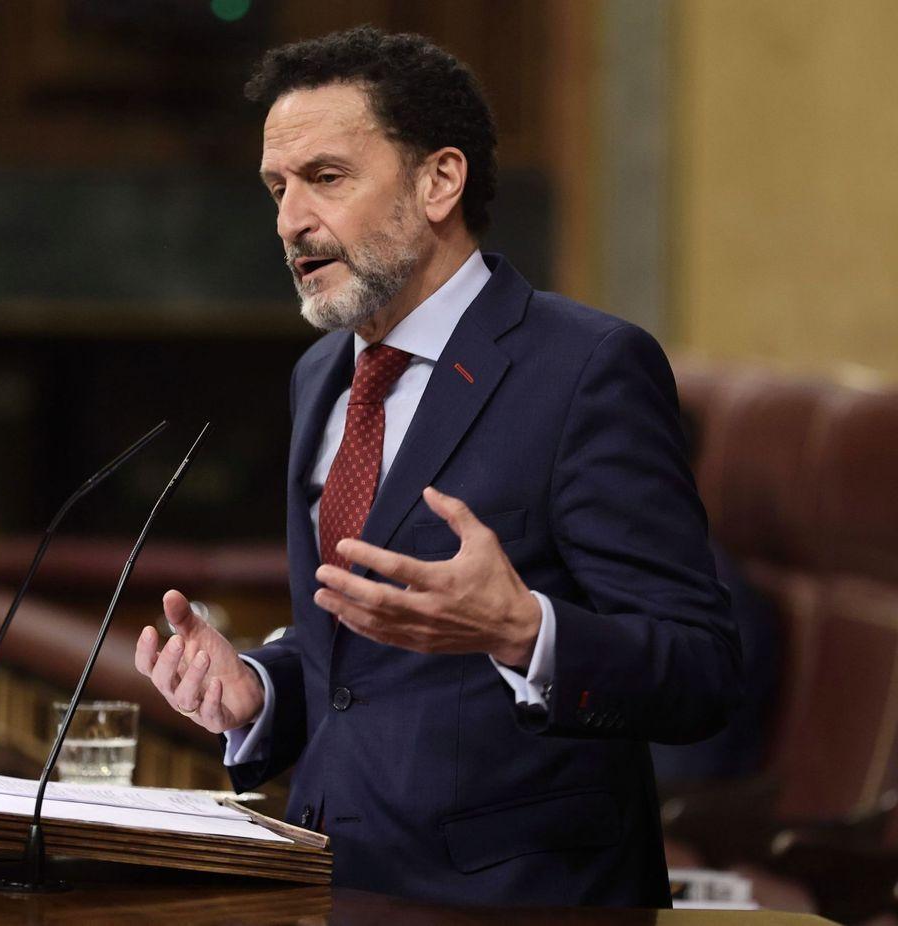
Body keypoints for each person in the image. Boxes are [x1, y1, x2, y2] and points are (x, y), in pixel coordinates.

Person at [134, 27, 741, 907]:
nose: (289, 220)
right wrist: (259, 690)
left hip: (521, 900)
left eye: (327, 178)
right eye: (277, 187)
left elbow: (701, 672)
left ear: (439, 181)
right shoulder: (322, 373)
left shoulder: (585, 370)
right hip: (332, 883)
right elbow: (362, 663)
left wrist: (524, 630)